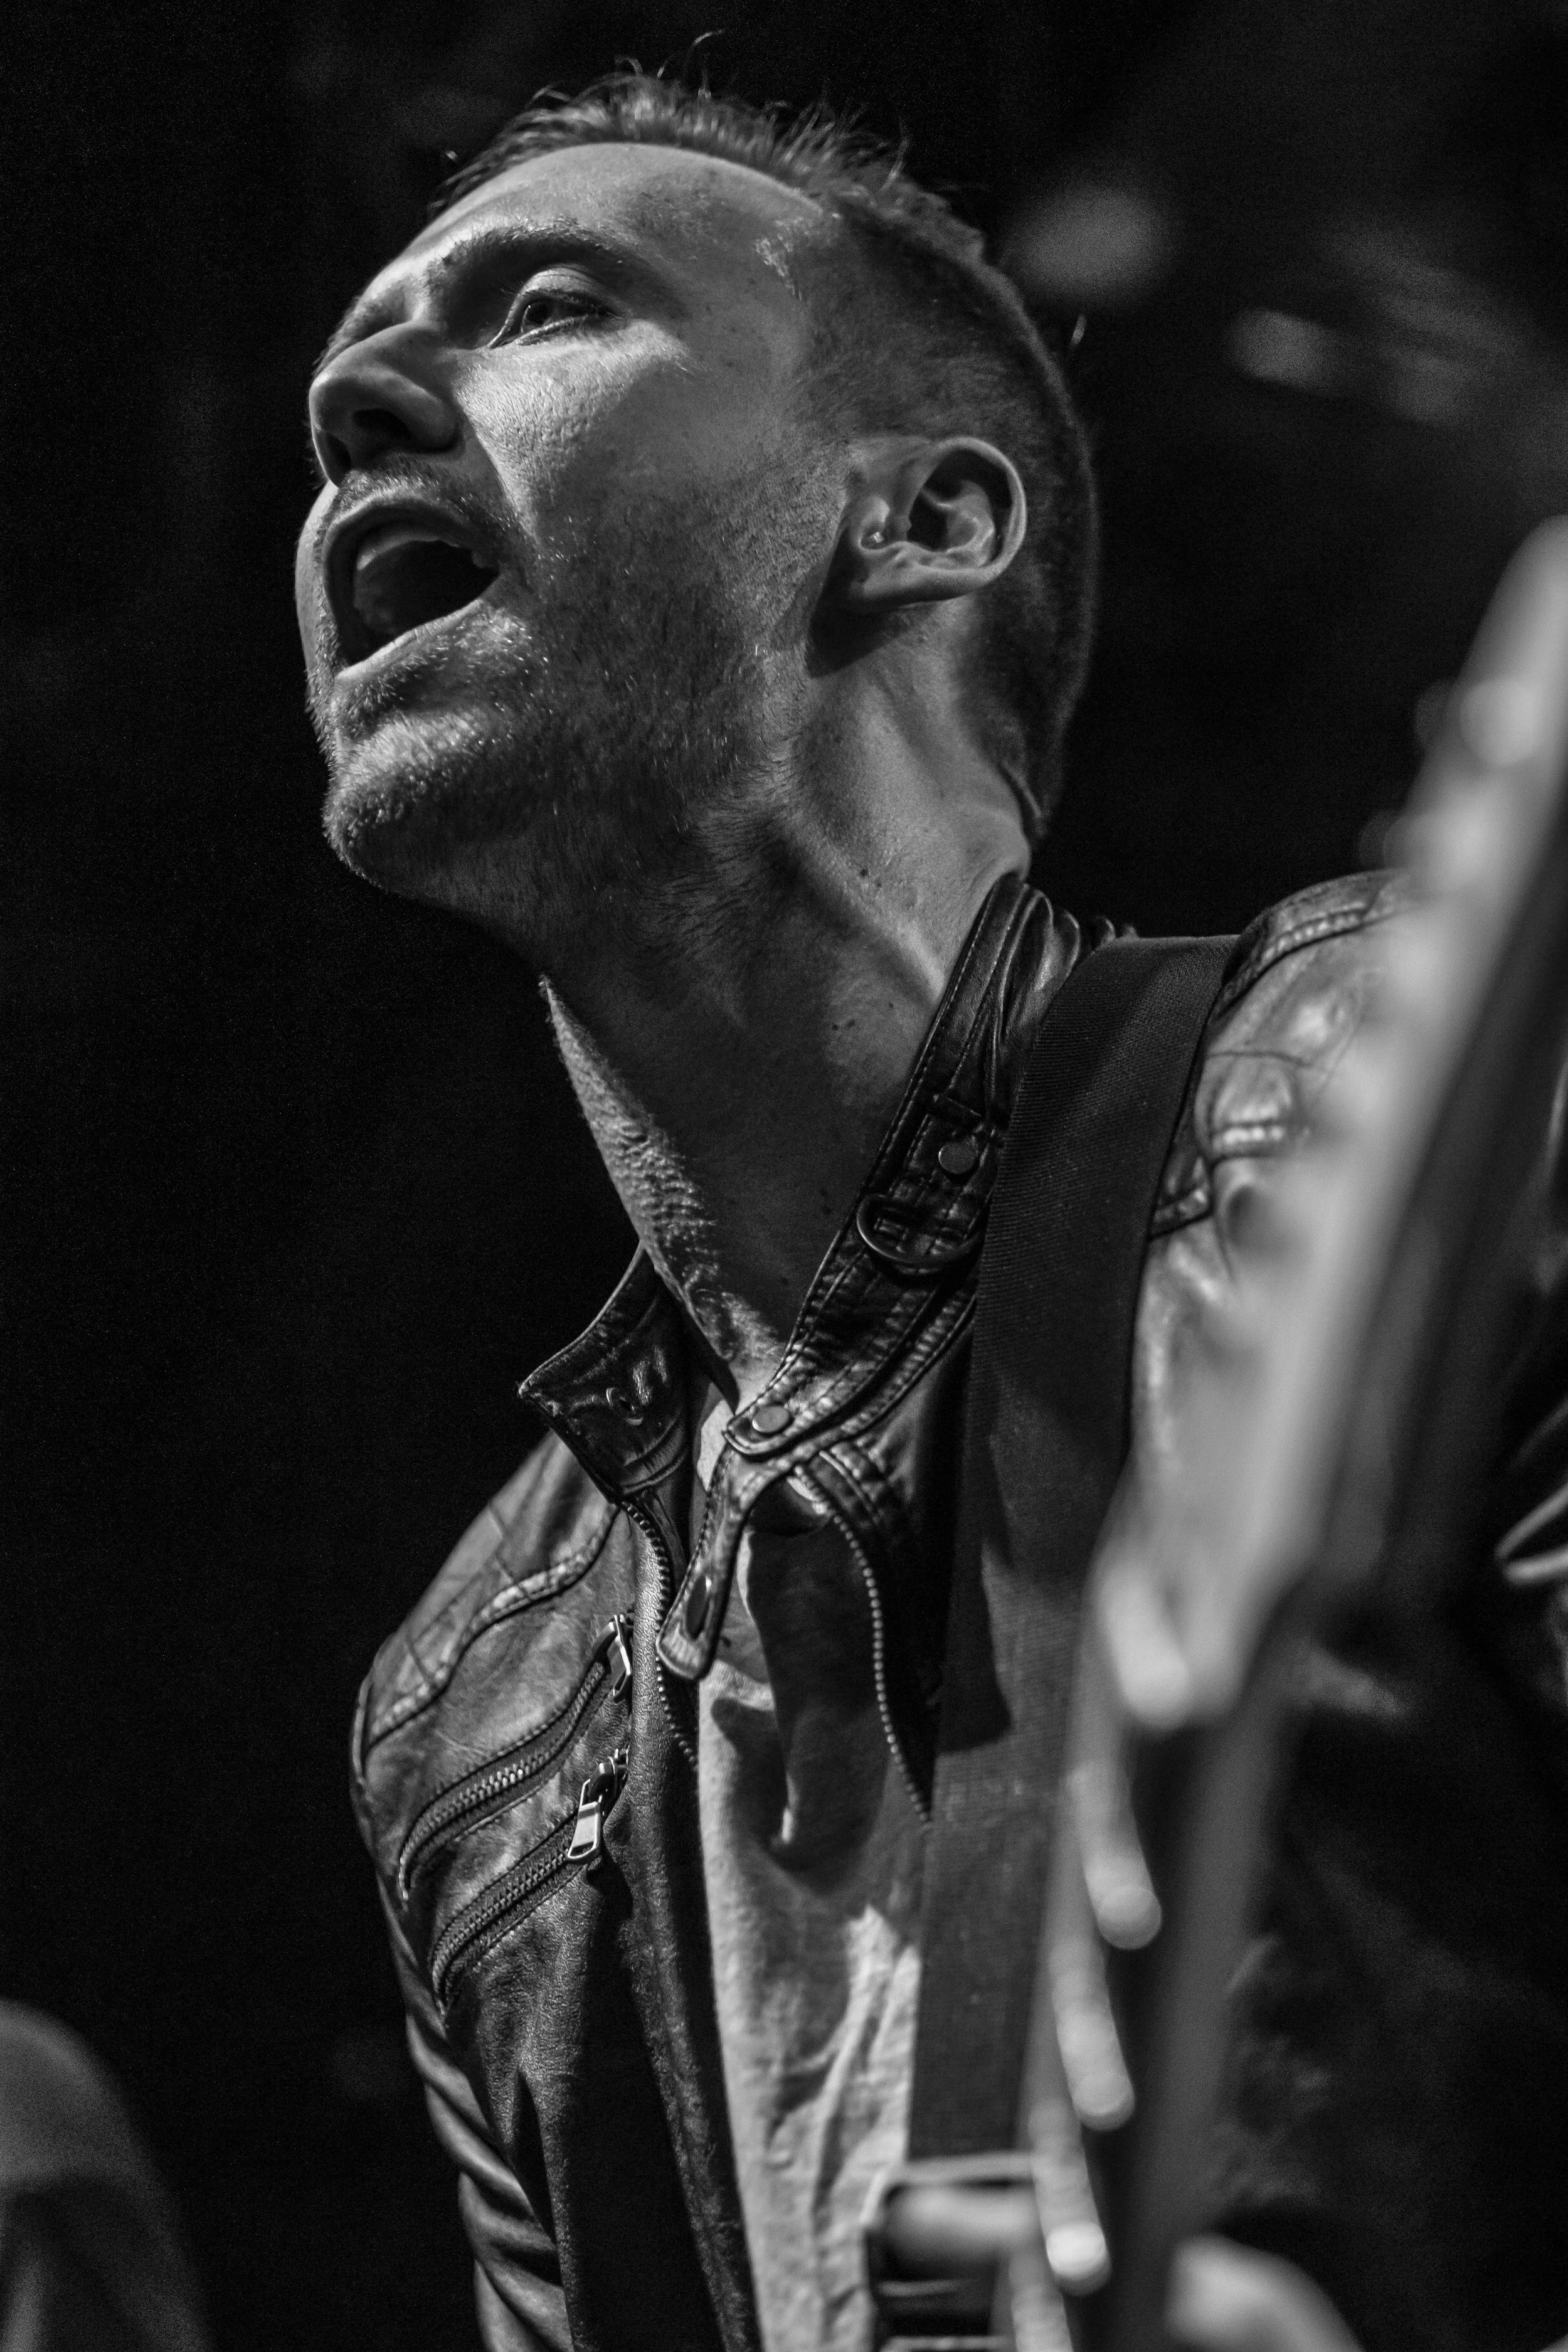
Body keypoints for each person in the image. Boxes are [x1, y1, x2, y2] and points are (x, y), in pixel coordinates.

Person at [294, 74, 1568, 2352]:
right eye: (348, 382)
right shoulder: (469, 1712)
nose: (355, 401)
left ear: (924, 517)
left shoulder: (1385, 1099)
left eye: (544, 307)